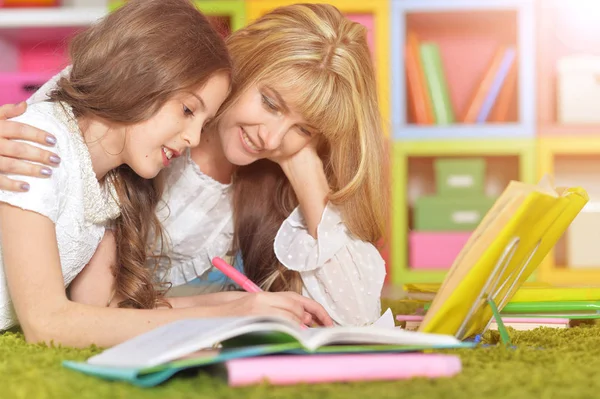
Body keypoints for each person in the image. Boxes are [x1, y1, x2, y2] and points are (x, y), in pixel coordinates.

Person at [0, 3, 388, 326]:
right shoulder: (135, 114)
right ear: (241, 69)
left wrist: (304, 163)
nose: (270, 138)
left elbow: (356, 315)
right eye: (270, 103)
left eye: (302, 128)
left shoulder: (272, 183)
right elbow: (51, 135)